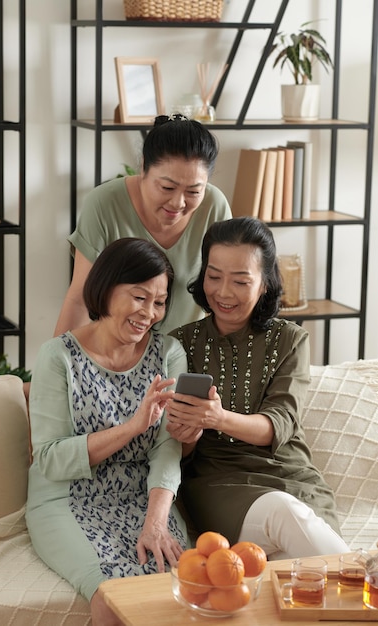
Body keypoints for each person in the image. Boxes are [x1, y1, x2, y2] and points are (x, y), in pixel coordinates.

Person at [26, 238, 189, 626]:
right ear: (106, 288)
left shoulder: (169, 354)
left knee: (181, 588)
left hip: (144, 497)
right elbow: (50, 458)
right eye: (139, 297)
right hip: (68, 498)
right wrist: (133, 427)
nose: (149, 313)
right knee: (116, 599)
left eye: (159, 302)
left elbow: (168, 449)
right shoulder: (57, 357)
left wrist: (157, 522)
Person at [166, 217, 349, 560]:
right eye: (214, 276)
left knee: (292, 573)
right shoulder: (181, 344)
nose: (223, 292)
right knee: (284, 514)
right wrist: (188, 433)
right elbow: (177, 450)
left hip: (293, 477)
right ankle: (363, 585)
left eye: (240, 281)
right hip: (219, 483)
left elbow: (279, 422)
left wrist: (217, 417)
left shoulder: (291, 340)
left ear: (265, 283)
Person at [54, 114, 232, 337]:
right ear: (143, 167)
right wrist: (57, 364)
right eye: (167, 187)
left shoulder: (214, 206)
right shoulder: (103, 204)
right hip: (116, 355)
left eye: (194, 191)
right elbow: (80, 299)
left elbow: (224, 296)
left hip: (185, 357)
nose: (178, 203)